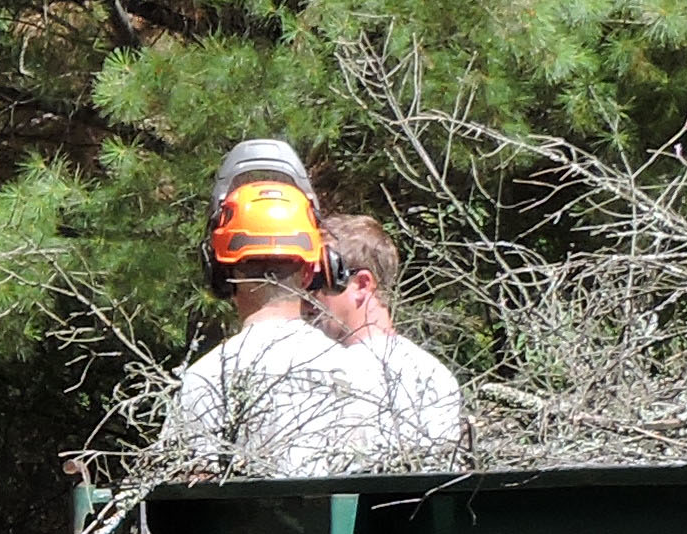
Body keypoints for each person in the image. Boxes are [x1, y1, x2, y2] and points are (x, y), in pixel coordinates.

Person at [157, 140, 365, 477]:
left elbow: (187, 498)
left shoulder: (207, 379)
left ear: (219, 271)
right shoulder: (360, 374)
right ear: (316, 268)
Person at [318, 209, 465, 465]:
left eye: (320, 279)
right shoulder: (435, 374)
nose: (307, 297)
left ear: (362, 284)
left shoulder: (331, 373)